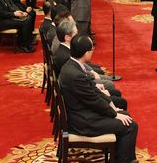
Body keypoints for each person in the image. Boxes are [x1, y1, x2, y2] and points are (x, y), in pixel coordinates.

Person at [58, 35, 138, 163]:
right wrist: (114, 114)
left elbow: (93, 92)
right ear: (86, 53)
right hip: (83, 121)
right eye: (92, 49)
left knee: (124, 115)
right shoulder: (75, 74)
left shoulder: (72, 65)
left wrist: (113, 108)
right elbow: (93, 101)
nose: (93, 51)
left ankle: (119, 156)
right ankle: (125, 160)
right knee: (130, 125)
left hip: (81, 112)